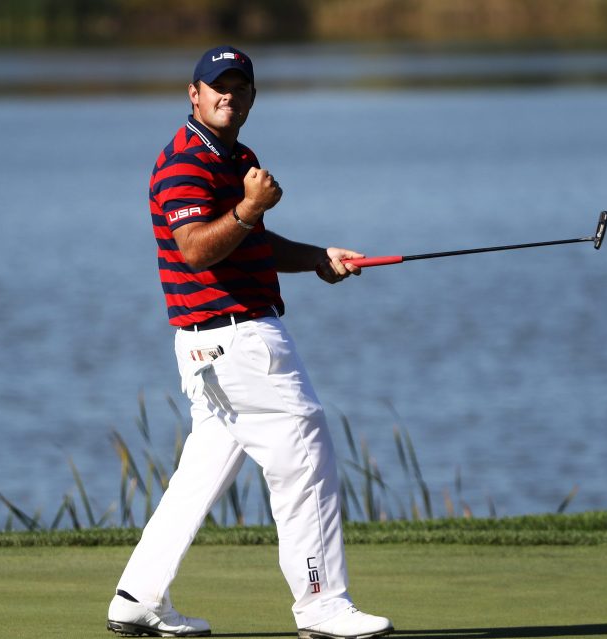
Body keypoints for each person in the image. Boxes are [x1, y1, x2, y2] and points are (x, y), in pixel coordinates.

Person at [106, 45, 394, 639]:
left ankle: (137, 595)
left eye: (239, 86)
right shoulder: (187, 163)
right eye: (217, 86)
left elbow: (250, 240)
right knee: (305, 450)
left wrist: (317, 256)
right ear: (194, 93)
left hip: (210, 344)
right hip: (236, 338)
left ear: (253, 98)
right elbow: (197, 247)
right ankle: (320, 604)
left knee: (204, 469)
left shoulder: (236, 157)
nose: (227, 95)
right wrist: (248, 207)